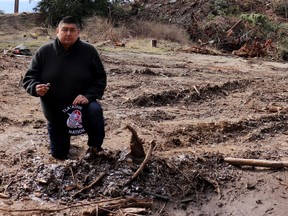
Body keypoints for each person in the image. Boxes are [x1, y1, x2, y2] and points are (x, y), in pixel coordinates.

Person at [23, 16, 107, 160]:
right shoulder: (44, 52)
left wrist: (89, 96)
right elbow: (29, 79)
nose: (68, 33)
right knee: (59, 154)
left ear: (78, 32)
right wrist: (36, 87)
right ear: (57, 31)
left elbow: (100, 78)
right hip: (55, 109)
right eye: (65, 30)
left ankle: (95, 147)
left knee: (95, 111)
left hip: (82, 106)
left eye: (72, 30)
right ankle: (63, 144)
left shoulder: (89, 51)